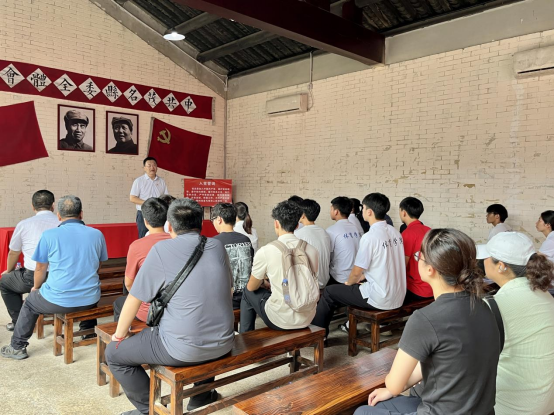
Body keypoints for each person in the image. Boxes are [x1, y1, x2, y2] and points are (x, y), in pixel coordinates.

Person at [105, 198, 235, 415]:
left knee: (113, 354)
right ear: (201, 223)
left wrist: (119, 336)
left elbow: (134, 297)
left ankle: (150, 410)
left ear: (170, 226)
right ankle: (201, 396)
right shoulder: (217, 246)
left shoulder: (161, 249)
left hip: (181, 349)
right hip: (224, 342)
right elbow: (228, 289)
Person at [354, 229, 500, 416]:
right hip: (482, 411)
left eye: (418, 257)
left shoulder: (425, 319)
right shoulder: (486, 307)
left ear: (430, 269)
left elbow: (393, 383)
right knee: (384, 403)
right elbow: (448, 361)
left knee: (363, 412)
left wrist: (394, 386)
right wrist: (396, 388)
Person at [1, 196, 108, 360]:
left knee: (30, 302)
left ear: (58, 215)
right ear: (81, 214)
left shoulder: (49, 235)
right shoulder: (97, 234)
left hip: (59, 300)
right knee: (87, 288)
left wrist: (36, 288)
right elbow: (98, 265)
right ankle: (87, 331)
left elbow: (40, 268)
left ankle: (17, 347)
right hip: (90, 298)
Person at [478, 232, 554, 415]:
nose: (483, 261)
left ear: (501, 266)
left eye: (487, 257)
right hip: (547, 401)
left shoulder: (494, 305)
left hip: (511, 406)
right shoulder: (546, 295)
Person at [313, 194, 406, 338]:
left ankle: (319, 335)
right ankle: (345, 325)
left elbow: (356, 272)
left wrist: (349, 283)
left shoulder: (370, 237)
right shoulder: (395, 233)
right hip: (398, 295)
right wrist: (362, 277)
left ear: (369, 212)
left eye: (363, 208)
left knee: (329, 292)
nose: (361, 211)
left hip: (380, 298)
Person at [240, 201, 319, 333]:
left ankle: (245, 338)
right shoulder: (311, 249)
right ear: (297, 225)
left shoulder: (266, 251)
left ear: (276, 223)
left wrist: (266, 282)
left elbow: (251, 287)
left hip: (280, 319)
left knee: (247, 293)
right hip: (308, 316)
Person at [0, 190, 60, 331]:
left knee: (5, 282)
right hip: (60, 276)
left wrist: (9, 271)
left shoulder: (24, 224)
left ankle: (18, 323)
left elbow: (14, 252)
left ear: (33, 206)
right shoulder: (62, 223)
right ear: (53, 206)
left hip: (32, 277)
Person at [113, 198, 171, 322]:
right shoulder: (177, 241)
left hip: (149, 311)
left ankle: (125, 333)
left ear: (145, 221)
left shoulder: (137, 246)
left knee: (119, 303)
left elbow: (129, 283)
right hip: (174, 307)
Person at [212, 203, 254, 309]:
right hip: (247, 298)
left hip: (225, 301)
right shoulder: (246, 239)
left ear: (219, 219)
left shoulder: (214, 243)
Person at [399, 197, 433, 302]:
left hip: (416, 290)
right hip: (432, 287)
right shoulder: (430, 231)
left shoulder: (407, 233)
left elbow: (402, 265)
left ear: (404, 212)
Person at [295, 199, 331, 288]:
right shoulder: (324, 232)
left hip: (310, 285)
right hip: (325, 281)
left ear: (303, 215)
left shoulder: (298, 234)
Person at [130, 157, 169, 239]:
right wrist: (149, 203)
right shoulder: (139, 181)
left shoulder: (161, 181)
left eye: (154, 165)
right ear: (144, 168)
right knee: (143, 237)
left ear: (157, 167)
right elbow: (132, 198)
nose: (152, 167)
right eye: (149, 165)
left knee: (159, 236)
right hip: (144, 213)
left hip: (159, 213)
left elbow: (166, 197)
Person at [326, 197, 362, 285]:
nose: (330, 212)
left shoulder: (331, 230)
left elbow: (327, 256)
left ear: (336, 212)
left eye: (331, 209)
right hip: (356, 275)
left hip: (339, 277)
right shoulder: (355, 228)